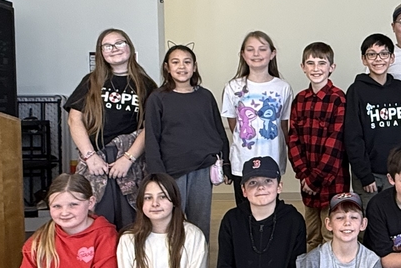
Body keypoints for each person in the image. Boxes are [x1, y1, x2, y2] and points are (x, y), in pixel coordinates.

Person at [66, 28, 157, 229]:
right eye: (107, 45)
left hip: (130, 164)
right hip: (96, 161)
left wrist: (128, 159)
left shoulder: (146, 84)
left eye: (119, 43)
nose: (114, 49)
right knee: (97, 222)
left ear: (130, 48)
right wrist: (90, 156)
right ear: (101, 53)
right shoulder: (90, 81)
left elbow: (149, 128)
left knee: (132, 224)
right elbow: (74, 120)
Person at [144, 44, 230, 241]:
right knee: (169, 223)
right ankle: (172, 267)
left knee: (200, 225)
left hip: (201, 170)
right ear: (167, 67)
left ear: (194, 66)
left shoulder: (205, 96)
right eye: (175, 62)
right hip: (171, 172)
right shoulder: (158, 98)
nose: (181, 67)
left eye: (187, 62)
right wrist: (157, 175)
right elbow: (152, 138)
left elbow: (218, 130)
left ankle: (199, 267)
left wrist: (225, 163)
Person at [287, 42, 349, 251]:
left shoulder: (338, 99)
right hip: (307, 185)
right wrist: (304, 175)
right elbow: (293, 139)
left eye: (321, 63)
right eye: (310, 63)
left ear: (332, 67)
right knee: (311, 235)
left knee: (330, 236)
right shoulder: (299, 100)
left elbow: (336, 144)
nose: (316, 68)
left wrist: (314, 180)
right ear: (303, 67)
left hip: (331, 183)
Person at [221, 31, 293, 209]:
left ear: (272, 54)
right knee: (244, 210)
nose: (256, 54)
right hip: (242, 160)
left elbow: (284, 125)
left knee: (269, 207)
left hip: (273, 157)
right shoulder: (232, 87)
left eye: (262, 49)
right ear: (243, 55)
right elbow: (233, 124)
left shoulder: (283, 88)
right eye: (250, 49)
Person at [345, 34, 401, 208]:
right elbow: (352, 136)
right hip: (370, 175)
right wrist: (365, 174)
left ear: (392, 58)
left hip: (398, 172)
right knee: (371, 222)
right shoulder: (356, 91)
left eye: (384, 54)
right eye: (372, 54)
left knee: (397, 218)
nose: (378, 59)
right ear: (364, 59)